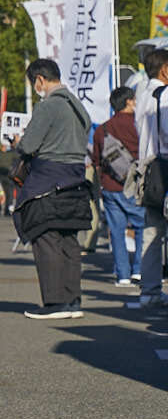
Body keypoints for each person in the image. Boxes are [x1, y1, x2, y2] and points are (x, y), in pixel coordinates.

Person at [11, 58, 94, 320]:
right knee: (68, 240)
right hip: (75, 179)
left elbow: (29, 145)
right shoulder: (79, 107)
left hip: (47, 180)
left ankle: (55, 302)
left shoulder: (48, 106)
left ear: (39, 80)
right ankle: (72, 300)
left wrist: (18, 141)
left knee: (45, 237)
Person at [128, 47, 168, 313]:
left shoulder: (141, 95)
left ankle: (150, 290)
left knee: (151, 232)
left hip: (147, 169)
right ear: (165, 69)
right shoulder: (163, 95)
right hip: (164, 166)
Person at [93, 85, 143, 287]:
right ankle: (139, 269)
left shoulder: (102, 129)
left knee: (116, 231)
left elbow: (96, 160)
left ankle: (122, 275)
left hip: (110, 185)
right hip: (135, 185)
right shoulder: (139, 125)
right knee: (142, 226)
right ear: (129, 101)